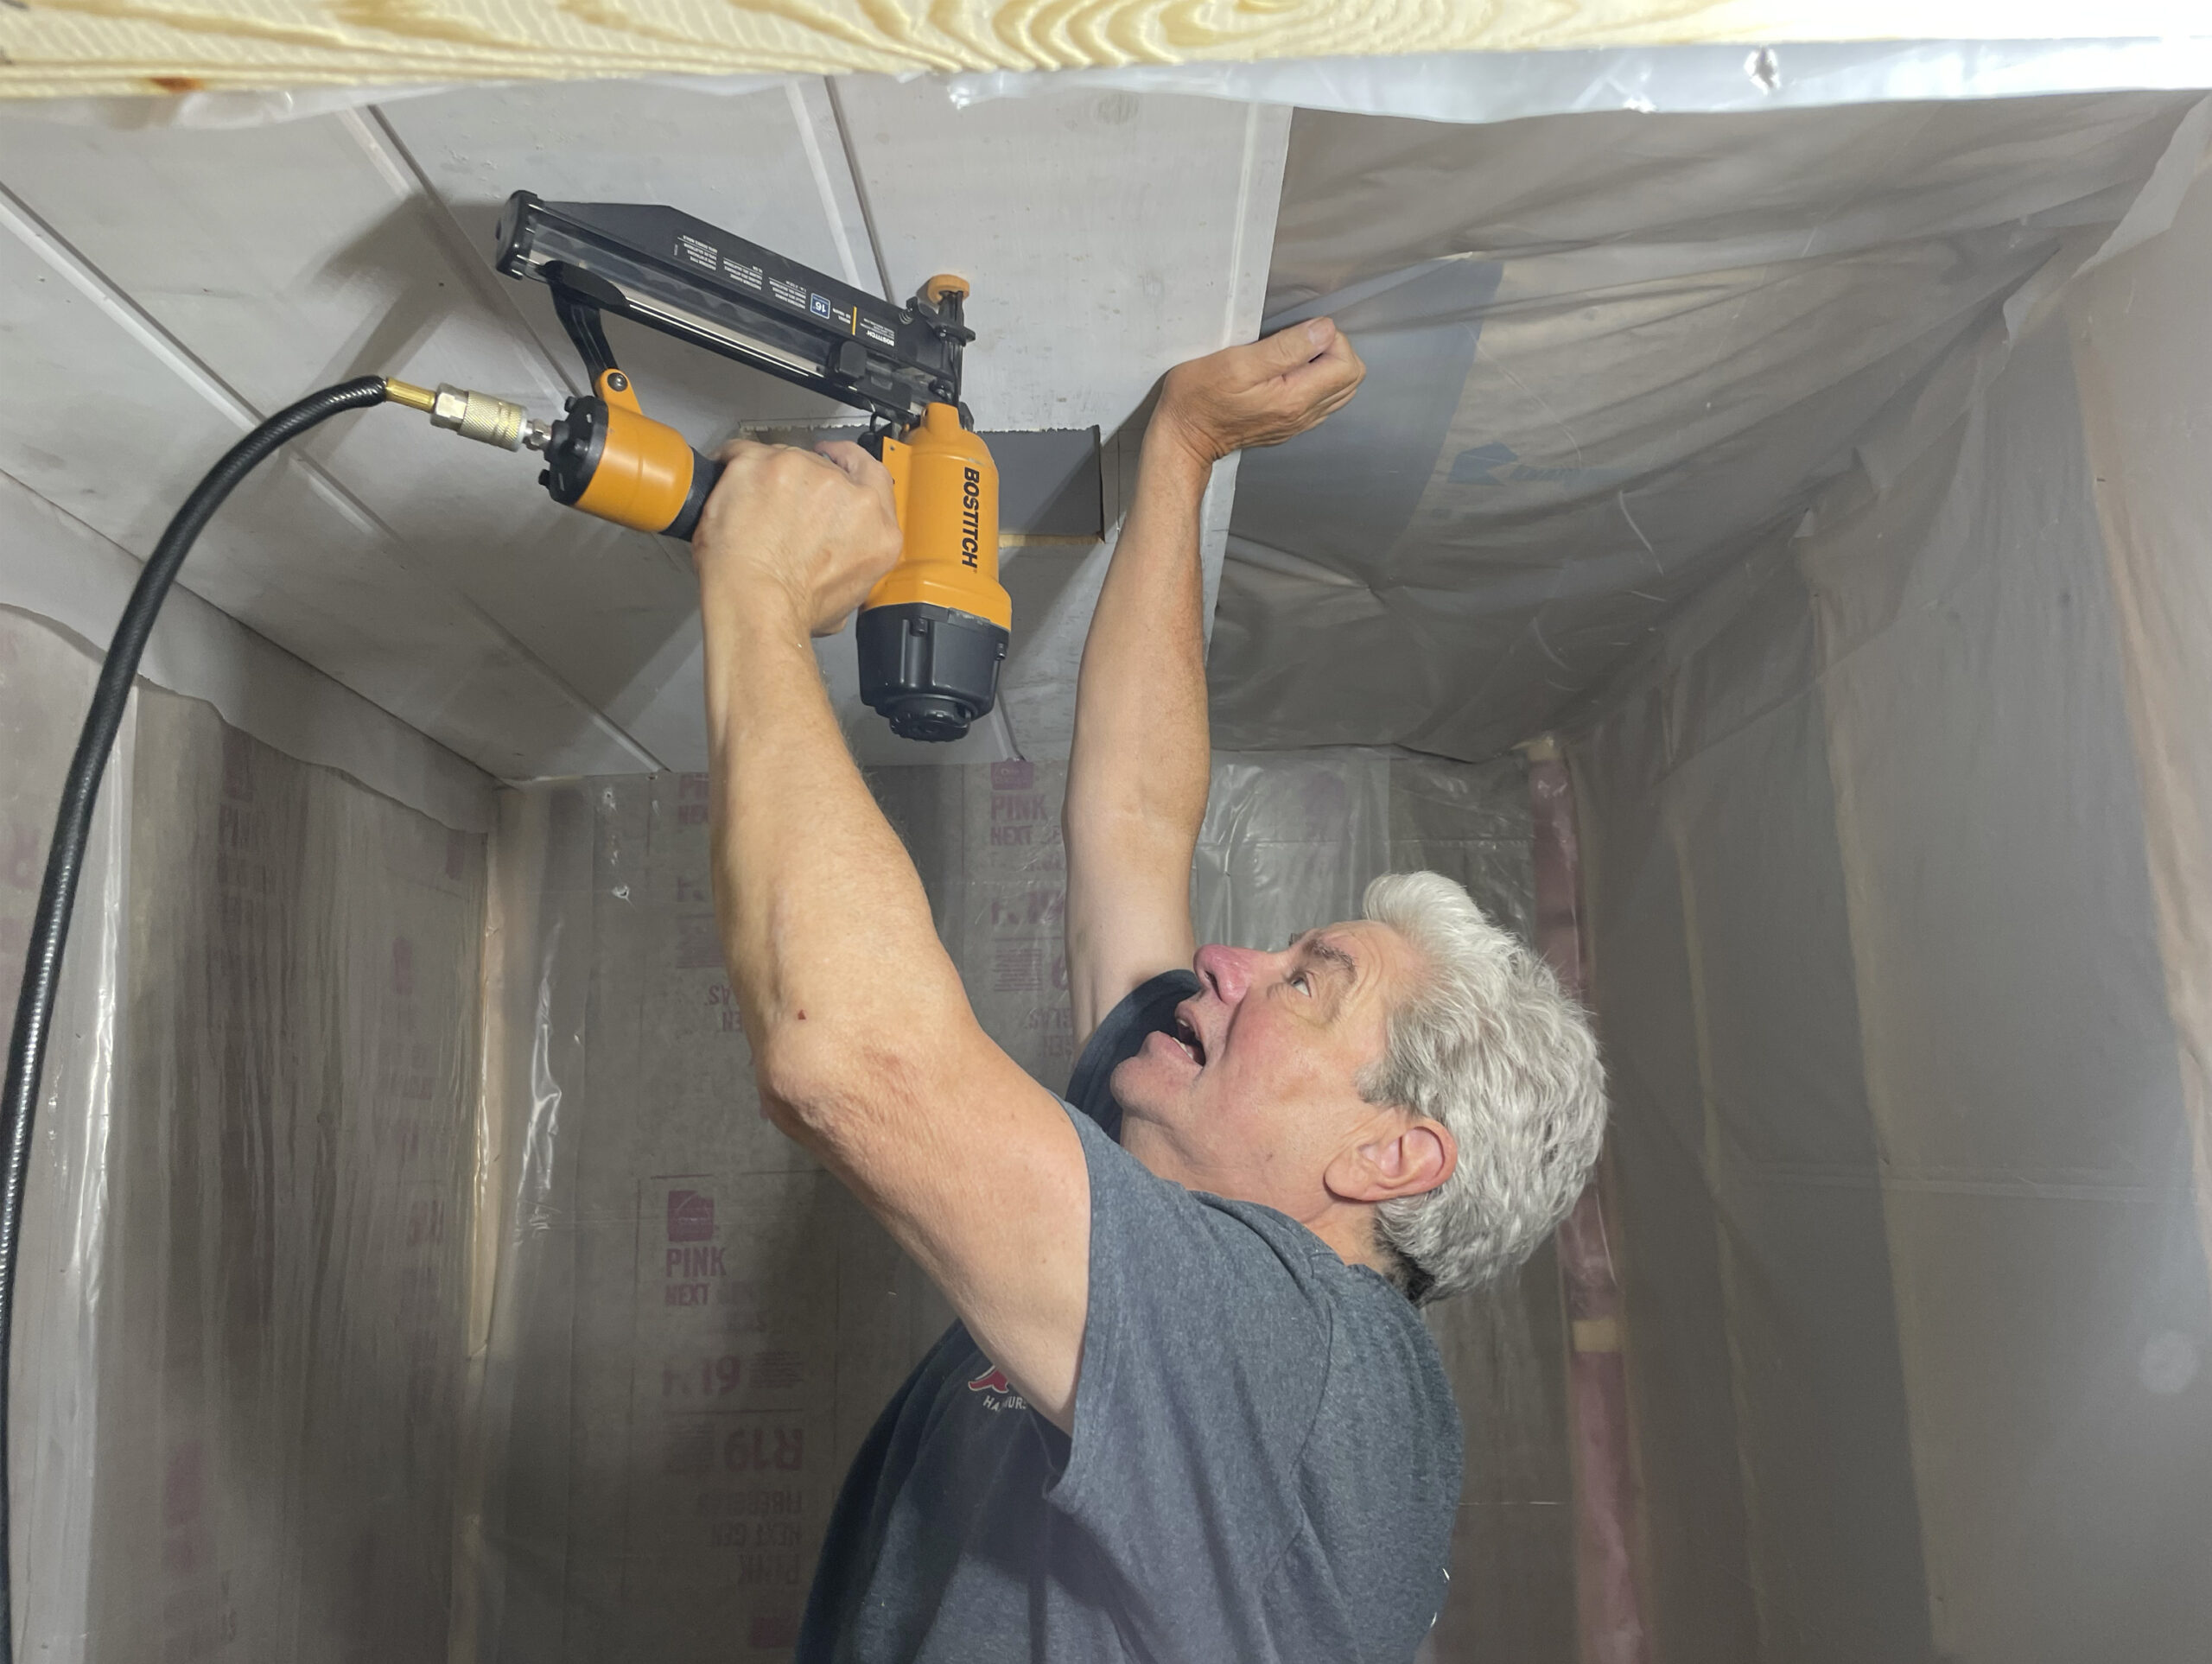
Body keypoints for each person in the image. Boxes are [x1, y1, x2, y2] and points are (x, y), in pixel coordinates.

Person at [695, 319, 1608, 1664]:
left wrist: (755, 591)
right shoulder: (1180, 1228)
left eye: (1309, 981)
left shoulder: (1308, 1364)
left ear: (1392, 1153)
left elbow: (852, 1058)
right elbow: (1131, 821)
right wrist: (1179, 450)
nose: (1231, 965)